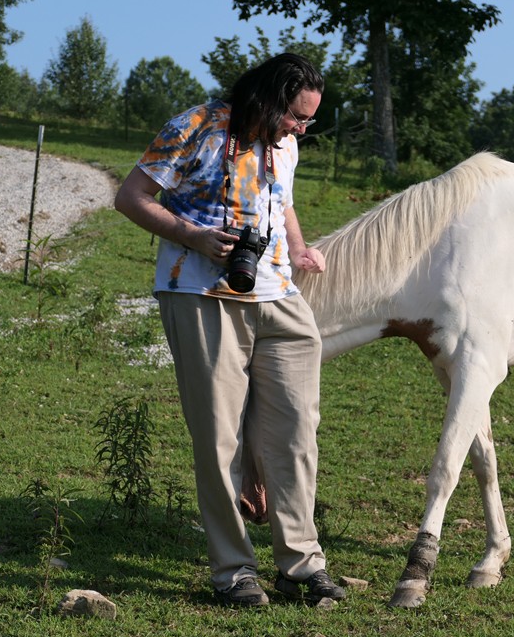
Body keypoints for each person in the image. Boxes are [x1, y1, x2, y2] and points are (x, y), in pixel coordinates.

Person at [114, 53, 344, 607]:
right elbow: (130, 197)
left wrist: (297, 247)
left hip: (279, 297)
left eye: (309, 119)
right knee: (220, 438)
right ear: (267, 99)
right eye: (296, 117)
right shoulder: (195, 127)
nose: (301, 129)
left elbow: (282, 201)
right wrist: (193, 236)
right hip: (201, 294)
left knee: (297, 432)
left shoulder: (286, 144)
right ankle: (233, 571)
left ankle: (301, 565)